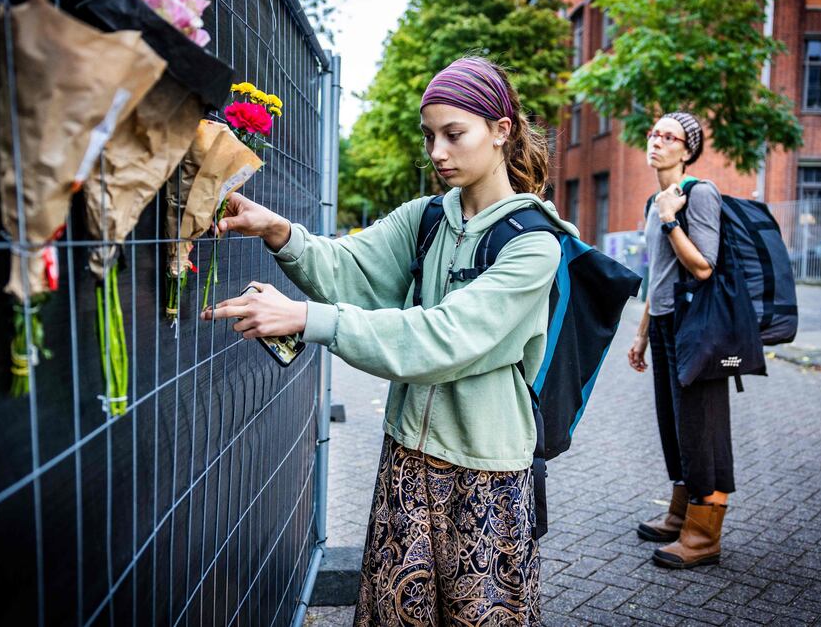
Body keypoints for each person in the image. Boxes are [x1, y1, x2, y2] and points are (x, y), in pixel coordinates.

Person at [202, 57, 578, 625]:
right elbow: (350, 267)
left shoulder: (534, 244)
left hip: (488, 471)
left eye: (455, 134)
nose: (437, 152)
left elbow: (445, 338)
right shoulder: (427, 216)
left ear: (502, 132)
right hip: (407, 455)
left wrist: (308, 318)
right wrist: (278, 230)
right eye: (430, 135)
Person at [627, 112, 734, 569]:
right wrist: (642, 333)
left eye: (668, 136)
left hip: (697, 328)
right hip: (667, 322)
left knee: (701, 426)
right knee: (673, 425)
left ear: (687, 150)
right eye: (653, 133)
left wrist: (671, 220)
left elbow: (703, 266)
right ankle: (680, 512)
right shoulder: (655, 198)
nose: (656, 141)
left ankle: (705, 532)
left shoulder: (699, 194)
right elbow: (658, 274)